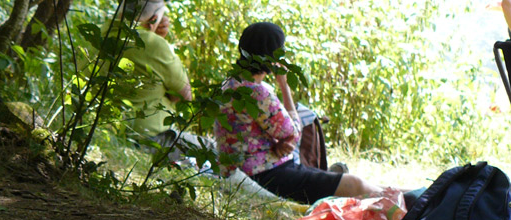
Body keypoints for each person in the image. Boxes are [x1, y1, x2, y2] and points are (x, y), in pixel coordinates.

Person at [213, 22, 383, 205]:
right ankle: (409, 200)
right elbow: (294, 132)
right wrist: (284, 85)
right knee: (354, 184)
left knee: (353, 183)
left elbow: (277, 134)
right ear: (273, 56)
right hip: (266, 175)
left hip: (255, 170)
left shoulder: (229, 84)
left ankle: (411, 196)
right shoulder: (256, 92)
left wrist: (282, 142)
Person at [107, 0, 199, 153]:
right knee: (211, 151)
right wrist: (157, 39)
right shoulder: (155, 45)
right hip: (149, 139)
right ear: (154, 19)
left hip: (108, 131)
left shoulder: (104, 31)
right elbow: (185, 96)